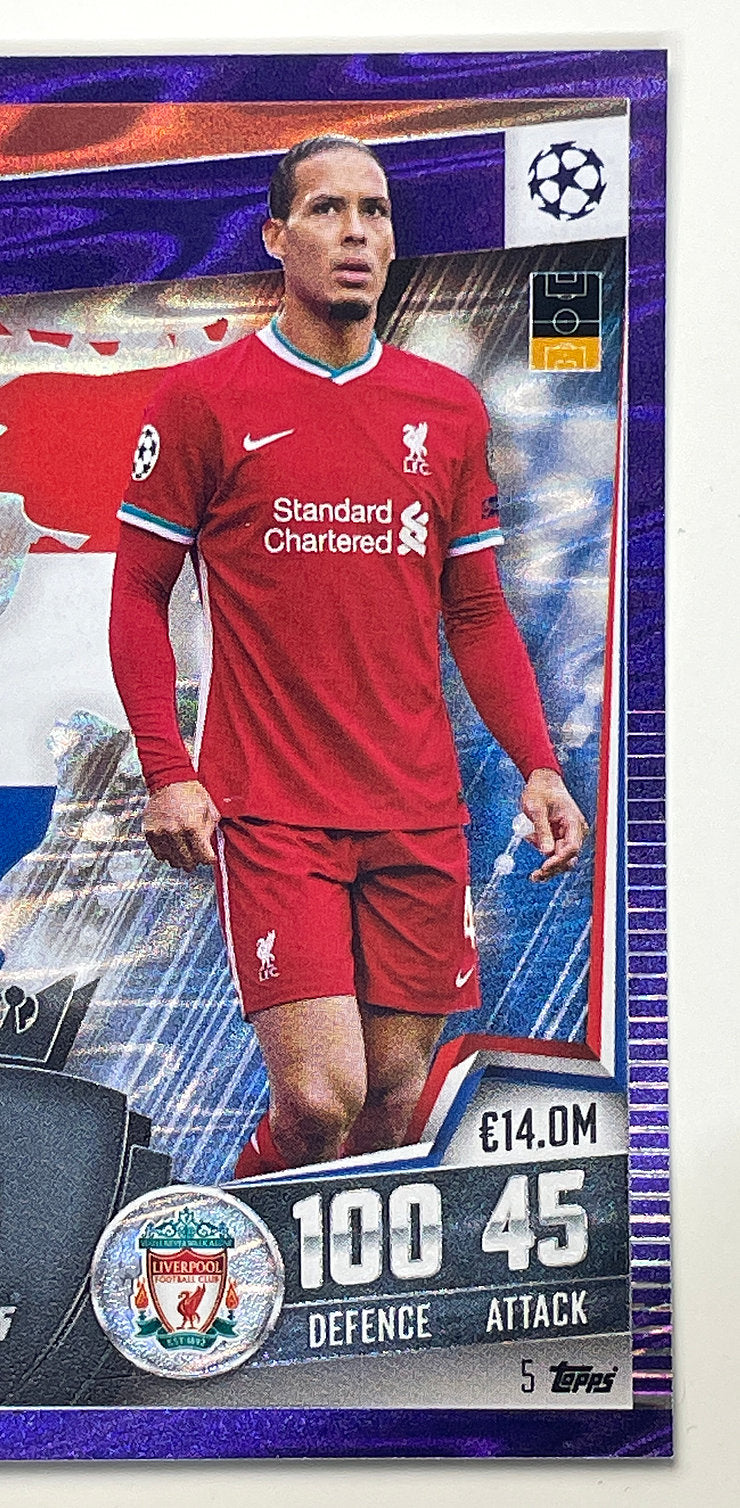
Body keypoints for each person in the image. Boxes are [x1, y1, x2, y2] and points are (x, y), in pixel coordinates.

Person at [108, 135, 589, 1178]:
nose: (356, 232)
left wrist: (538, 763)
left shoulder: (445, 409)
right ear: (274, 237)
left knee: (394, 1100)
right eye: (327, 209)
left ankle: (308, 1282)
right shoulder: (204, 400)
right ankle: (228, 1240)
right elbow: (139, 593)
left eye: (374, 211)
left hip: (416, 806)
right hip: (272, 804)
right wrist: (166, 770)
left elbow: (475, 608)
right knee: (322, 1097)